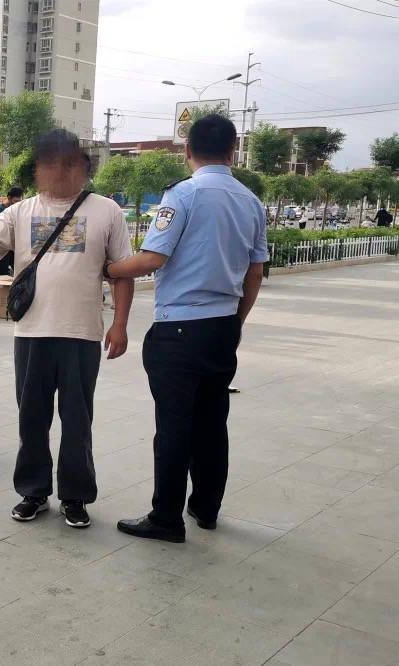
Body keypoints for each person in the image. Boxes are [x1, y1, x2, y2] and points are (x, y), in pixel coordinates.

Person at [0, 129, 135, 527]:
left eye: (67, 162)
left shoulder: (108, 211)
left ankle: (75, 496)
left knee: (77, 420)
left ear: (82, 167)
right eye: (50, 163)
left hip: (81, 335)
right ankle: (33, 492)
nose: (58, 171)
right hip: (32, 335)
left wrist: (120, 325)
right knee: (31, 417)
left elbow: (121, 273)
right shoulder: (22, 212)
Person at [105, 114, 267, 543]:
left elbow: (152, 259)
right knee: (213, 421)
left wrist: (110, 268)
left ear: (187, 150)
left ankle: (166, 518)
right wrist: (235, 321)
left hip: (180, 330)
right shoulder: (250, 201)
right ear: (233, 150)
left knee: (175, 425)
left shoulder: (184, 194)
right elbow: (254, 274)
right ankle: (206, 507)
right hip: (222, 327)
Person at [0, 187, 24, 276]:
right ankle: (2, 289)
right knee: (3, 272)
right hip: (3, 246)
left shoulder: (16, 209)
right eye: (15, 201)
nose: (17, 204)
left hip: (14, 246)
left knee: (20, 270)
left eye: (19, 201)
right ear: (9, 198)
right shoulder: (0, 210)